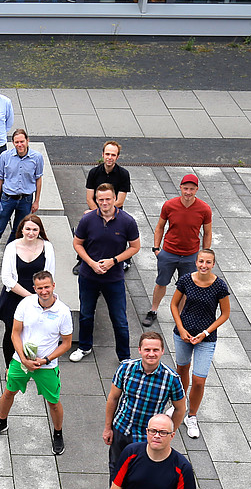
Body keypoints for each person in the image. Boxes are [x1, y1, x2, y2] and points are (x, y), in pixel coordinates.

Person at [99, 332, 185, 489]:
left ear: (162, 351)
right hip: (121, 428)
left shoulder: (171, 379)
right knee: (115, 465)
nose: (151, 353)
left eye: (155, 350)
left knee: (141, 471)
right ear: (140, 350)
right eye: (147, 349)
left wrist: (169, 433)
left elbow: (180, 409)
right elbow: (113, 398)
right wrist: (108, 427)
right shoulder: (125, 368)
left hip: (146, 436)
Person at [0, 271, 73, 455]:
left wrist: (46, 359)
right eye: (40, 288)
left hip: (47, 365)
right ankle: (2, 422)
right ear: (34, 289)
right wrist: (23, 358)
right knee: (9, 392)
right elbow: (15, 333)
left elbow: (66, 343)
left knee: (54, 403)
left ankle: (58, 433)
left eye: (47, 287)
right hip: (21, 361)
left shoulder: (63, 312)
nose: (44, 291)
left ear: (53, 286)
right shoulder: (26, 304)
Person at [70, 184, 141, 363]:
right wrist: (91, 263)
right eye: (100, 199)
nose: (104, 203)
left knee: (119, 318)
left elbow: (135, 247)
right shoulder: (88, 220)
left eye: (108, 199)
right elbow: (77, 243)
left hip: (114, 277)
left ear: (115, 198)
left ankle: (124, 357)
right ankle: (84, 347)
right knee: (86, 313)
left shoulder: (127, 221)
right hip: (89, 275)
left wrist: (114, 261)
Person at [169, 248, 229, 439]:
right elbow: (173, 305)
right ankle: (179, 405)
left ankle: (192, 416)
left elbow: (225, 314)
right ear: (196, 262)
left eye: (208, 262)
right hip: (183, 333)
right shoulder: (186, 280)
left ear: (213, 264)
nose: (204, 265)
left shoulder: (219, 286)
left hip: (206, 337)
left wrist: (205, 333)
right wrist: (181, 328)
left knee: (199, 381)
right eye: (201, 261)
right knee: (181, 371)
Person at [143, 174, 212, 327]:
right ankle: (153, 310)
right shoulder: (169, 205)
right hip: (169, 252)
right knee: (161, 282)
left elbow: (207, 232)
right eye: (185, 188)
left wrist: (205, 253)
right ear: (180, 188)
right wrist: (156, 248)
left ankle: (179, 316)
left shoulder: (204, 209)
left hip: (190, 255)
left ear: (197, 190)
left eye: (192, 189)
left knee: (186, 287)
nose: (188, 192)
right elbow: (160, 227)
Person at [0, 215, 55, 366]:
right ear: (21, 229)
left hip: (39, 296)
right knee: (11, 332)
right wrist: (31, 297)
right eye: (28, 229)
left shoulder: (47, 247)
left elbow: (49, 275)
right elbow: (7, 278)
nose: (31, 232)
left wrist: (40, 296)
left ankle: (30, 361)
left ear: (39, 231)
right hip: (15, 296)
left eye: (35, 229)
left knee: (34, 332)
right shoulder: (12, 247)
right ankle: (9, 366)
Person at [0, 128, 44, 267]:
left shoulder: (36, 157)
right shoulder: (5, 156)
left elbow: (38, 179)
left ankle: (9, 255)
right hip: (7, 198)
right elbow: (0, 178)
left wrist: (36, 200)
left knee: (18, 231)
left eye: (22, 141)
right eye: (16, 142)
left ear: (27, 141)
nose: (20, 145)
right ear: (13, 143)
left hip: (26, 200)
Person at [79, 141, 131, 275]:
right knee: (85, 230)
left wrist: (107, 211)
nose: (109, 157)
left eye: (113, 155)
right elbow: (89, 198)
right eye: (107, 154)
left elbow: (120, 201)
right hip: (95, 210)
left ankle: (121, 260)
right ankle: (82, 260)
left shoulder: (123, 174)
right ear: (102, 155)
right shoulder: (94, 172)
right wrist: (97, 213)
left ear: (117, 157)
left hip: (115, 211)